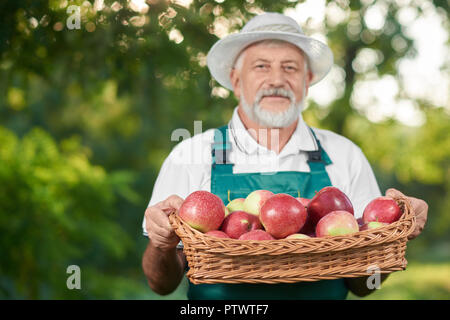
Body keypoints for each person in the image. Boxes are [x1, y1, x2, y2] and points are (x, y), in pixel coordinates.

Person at [141, 12, 428, 299]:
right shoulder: (191, 154)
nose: (276, 79)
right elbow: (161, 285)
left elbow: (365, 286)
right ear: (236, 79)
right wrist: (161, 244)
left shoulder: (344, 155)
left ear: (308, 80)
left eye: (290, 68)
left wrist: (392, 237)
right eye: (261, 66)